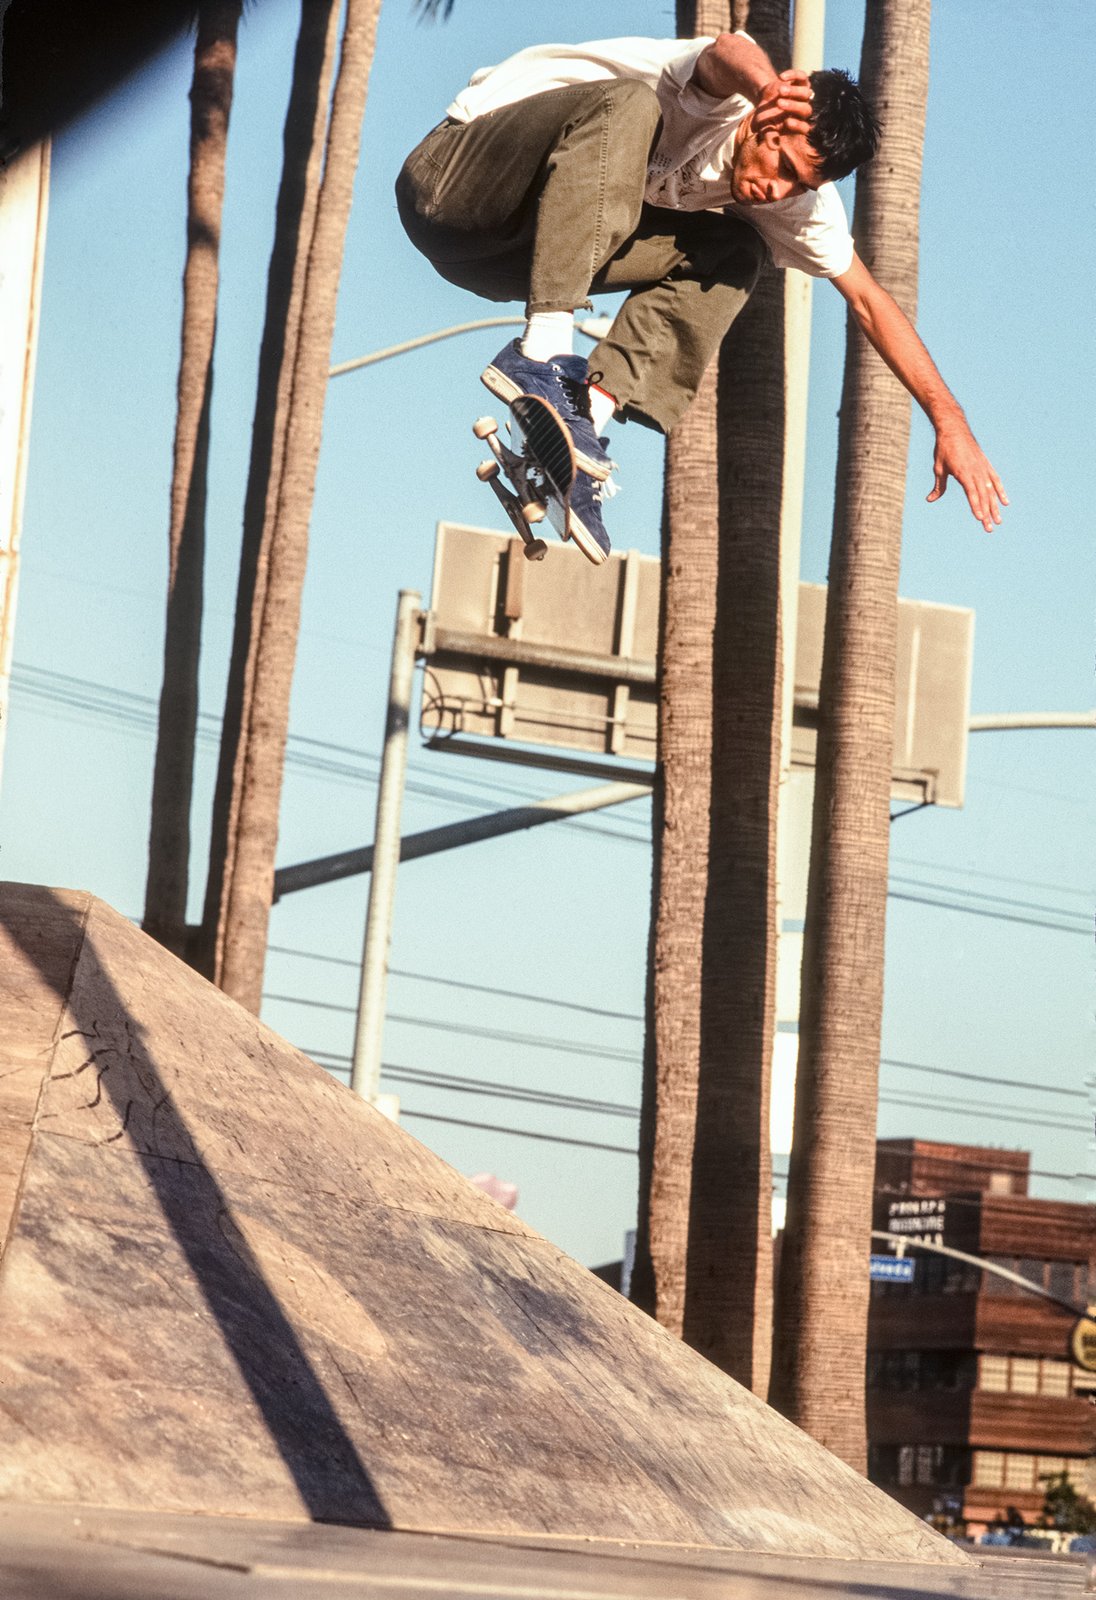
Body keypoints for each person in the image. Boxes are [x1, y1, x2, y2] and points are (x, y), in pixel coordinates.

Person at [396, 31, 1007, 564]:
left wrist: (950, 421)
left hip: (506, 263)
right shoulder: (712, 93)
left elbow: (870, 301)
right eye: (782, 163)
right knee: (630, 106)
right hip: (450, 184)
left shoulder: (796, 203)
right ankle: (542, 351)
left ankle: (582, 423)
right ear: (768, 119)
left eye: (800, 183)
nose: (776, 189)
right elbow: (726, 50)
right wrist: (768, 85)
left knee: (736, 252)